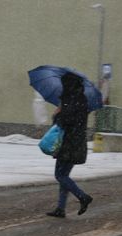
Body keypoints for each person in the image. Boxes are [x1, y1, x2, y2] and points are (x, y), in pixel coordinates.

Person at [46, 72, 93, 218]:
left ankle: (83, 196)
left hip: (68, 143)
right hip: (77, 142)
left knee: (60, 175)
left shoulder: (70, 99)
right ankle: (60, 208)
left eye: (63, 83)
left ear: (68, 84)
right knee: (64, 175)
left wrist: (57, 115)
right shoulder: (81, 99)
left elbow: (66, 121)